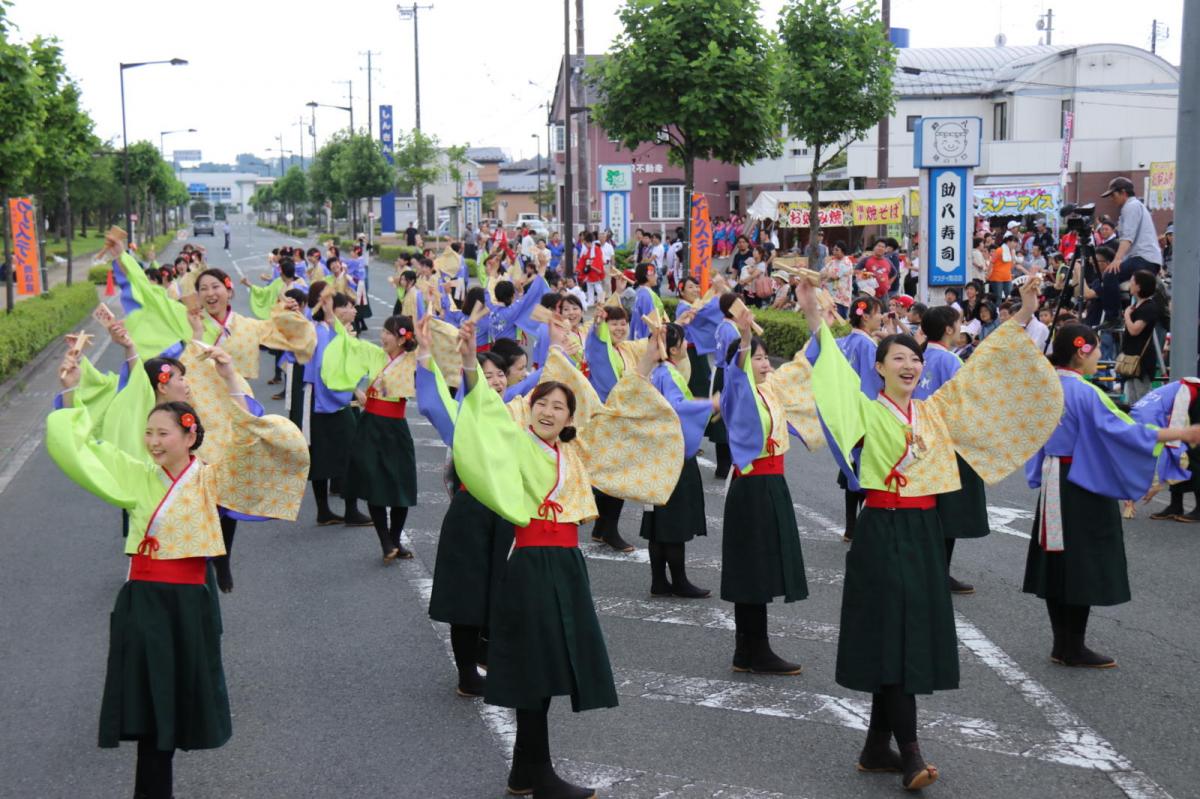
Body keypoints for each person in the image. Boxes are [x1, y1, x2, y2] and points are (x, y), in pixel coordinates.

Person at [801, 275, 1061, 791]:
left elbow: (986, 370)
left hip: (923, 530)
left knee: (902, 634)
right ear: (878, 369)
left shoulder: (935, 412)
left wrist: (1024, 314)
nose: (909, 365)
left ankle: (878, 745)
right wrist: (813, 315)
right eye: (897, 359)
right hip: (883, 528)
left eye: (914, 359)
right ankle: (912, 753)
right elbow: (829, 374)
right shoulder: (864, 410)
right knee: (896, 635)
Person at [46, 376, 308, 799]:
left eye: (162, 433)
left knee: (174, 707)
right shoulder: (134, 475)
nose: (152, 441)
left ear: (190, 436)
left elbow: (275, 446)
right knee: (151, 715)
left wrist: (232, 380)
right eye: (148, 433)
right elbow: (81, 449)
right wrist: (73, 392)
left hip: (190, 604)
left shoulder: (211, 480)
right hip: (144, 604)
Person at [452, 319, 681, 799]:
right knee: (535, 671)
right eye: (541, 403)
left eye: (559, 406)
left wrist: (646, 361)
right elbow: (484, 414)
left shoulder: (575, 454)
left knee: (547, 667)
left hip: (565, 565)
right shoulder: (516, 442)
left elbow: (620, 413)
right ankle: (542, 776)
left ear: (570, 418)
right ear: (528, 410)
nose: (548, 411)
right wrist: (470, 364)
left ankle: (523, 771)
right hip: (531, 563)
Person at [1024, 324, 1200, 668]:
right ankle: (1073, 646)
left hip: (1053, 478)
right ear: (1081, 351)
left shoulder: (1044, 386)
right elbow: (1125, 432)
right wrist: (1181, 432)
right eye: (1096, 351)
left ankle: (1062, 644)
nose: (1101, 358)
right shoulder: (1084, 392)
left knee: (1058, 559)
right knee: (1082, 562)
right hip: (1083, 482)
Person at [719, 303, 823, 675]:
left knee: (759, 565)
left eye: (765, 358)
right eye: (757, 359)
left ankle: (749, 647)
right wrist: (745, 340)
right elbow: (737, 375)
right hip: (752, 484)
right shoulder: (739, 389)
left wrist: (813, 314)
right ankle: (752, 648)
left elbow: (804, 363)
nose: (764, 364)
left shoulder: (770, 390)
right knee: (753, 567)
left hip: (771, 483)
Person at [321, 312, 422, 563]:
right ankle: (385, 541)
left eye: (389, 332)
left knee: (401, 484)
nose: (383, 336)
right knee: (373, 483)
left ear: (401, 339)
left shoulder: (412, 361)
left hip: (396, 428)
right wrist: (339, 327)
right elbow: (351, 347)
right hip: (371, 425)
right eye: (384, 331)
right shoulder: (375, 354)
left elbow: (435, 357)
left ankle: (395, 538)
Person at [640, 323, 720, 597]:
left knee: (657, 520)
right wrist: (710, 404)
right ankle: (679, 581)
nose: (687, 345)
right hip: (672, 456)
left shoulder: (656, 372)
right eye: (683, 341)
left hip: (657, 453)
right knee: (673, 521)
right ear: (673, 349)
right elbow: (677, 406)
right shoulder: (669, 374)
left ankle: (659, 580)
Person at [916, 306, 989, 595]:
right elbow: (967, 404)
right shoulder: (950, 361)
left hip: (917, 439)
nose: (961, 327)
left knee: (925, 510)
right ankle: (939, 573)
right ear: (948, 328)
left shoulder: (918, 354)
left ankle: (925, 570)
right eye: (958, 323)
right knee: (947, 513)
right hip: (946, 445)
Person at [805, 295, 884, 542]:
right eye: (878, 313)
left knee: (851, 469)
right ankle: (866, 531)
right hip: (863, 416)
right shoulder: (869, 347)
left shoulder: (839, 342)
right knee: (870, 473)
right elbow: (875, 386)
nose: (881, 318)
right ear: (867, 315)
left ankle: (850, 528)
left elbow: (812, 356)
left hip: (842, 415)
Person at [1131, 378, 1200, 522]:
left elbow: (1162, 453)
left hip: (1192, 395)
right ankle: (1176, 505)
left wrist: (1156, 485)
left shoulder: (1142, 423)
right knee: (1175, 454)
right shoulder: (1135, 419)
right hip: (1183, 394)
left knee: (1187, 454)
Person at [1100, 177, 1164, 321]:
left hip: (1143, 259)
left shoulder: (1131, 206)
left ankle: (1113, 318)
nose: (1111, 199)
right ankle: (1117, 312)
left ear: (1123, 192)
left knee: (1109, 275)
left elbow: (1128, 237)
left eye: (1113, 194)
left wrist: (1117, 260)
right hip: (1146, 259)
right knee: (1103, 280)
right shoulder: (1133, 207)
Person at [822, 241, 855, 317]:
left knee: (839, 321)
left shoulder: (847, 262)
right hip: (830, 296)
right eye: (833, 250)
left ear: (843, 251)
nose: (834, 252)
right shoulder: (832, 262)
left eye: (837, 250)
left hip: (841, 298)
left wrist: (826, 276)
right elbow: (822, 273)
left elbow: (835, 277)